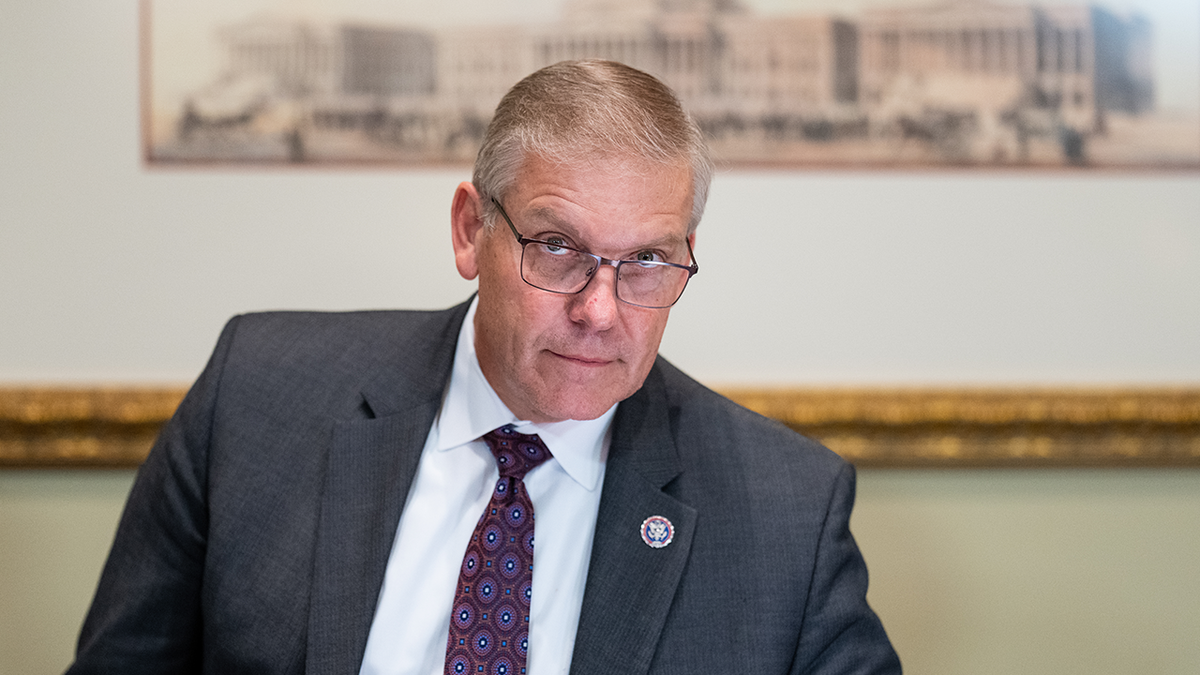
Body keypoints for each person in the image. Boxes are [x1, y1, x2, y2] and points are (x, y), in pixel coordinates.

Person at [67, 59, 900, 675]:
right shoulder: (256, 397)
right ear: (472, 231)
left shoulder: (785, 510)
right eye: (559, 247)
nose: (600, 310)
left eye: (647, 258)